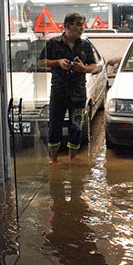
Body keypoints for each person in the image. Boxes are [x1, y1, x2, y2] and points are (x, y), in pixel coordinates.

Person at [38, 12, 98, 163]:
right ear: (67, 26)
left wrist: (83, 68)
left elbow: (94, 66)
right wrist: (57, 62)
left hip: (78, 94)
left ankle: (73, 160)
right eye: (78, 25)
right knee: (54, 128)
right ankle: (53, 161)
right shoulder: (53, 44)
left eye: (82, 25)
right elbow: (40, 63)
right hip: (58, 93)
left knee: (76, 128)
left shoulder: (85, 45)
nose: (81, 29)